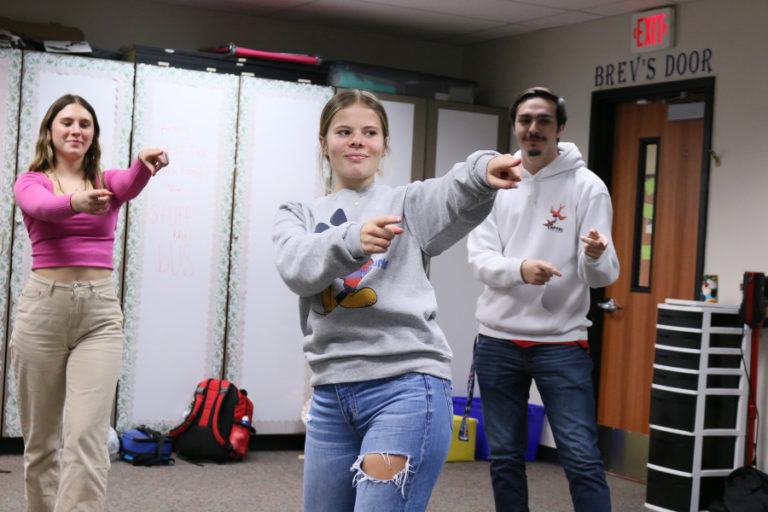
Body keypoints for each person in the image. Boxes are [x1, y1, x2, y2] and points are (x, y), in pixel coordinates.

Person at [273, 89, 522, 512]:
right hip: (332, 397)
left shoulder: (408, 204)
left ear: (384, 145)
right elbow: (297, 268)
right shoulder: (297, 213)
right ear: (323, 143)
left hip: (406, 388)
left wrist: (483, 169)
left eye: (370, 132)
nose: (357, 140)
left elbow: (454, 190)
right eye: (344, 131)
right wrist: (353, 238)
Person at [11, 94, 168, 512]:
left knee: (87, 437)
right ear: (50, 130)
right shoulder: (32, 181)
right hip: (43, 310)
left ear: (93, 134)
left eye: (85, 123)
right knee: (41, 442)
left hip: (99, 315)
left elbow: (130, 184)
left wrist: (143, 163)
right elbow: (40, 207)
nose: (76, 129)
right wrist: (74, 203)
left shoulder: (106, 180)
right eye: (67, 122)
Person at [467, 86, 619, 512]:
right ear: (515, 127)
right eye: (525, 121)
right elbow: (479, 259)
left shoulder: (587, 187)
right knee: (504, 458)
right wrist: (520, 270)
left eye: (544, 121)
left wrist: (595, 255)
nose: (533, 129)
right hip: (497, 341)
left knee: (582, 458)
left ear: (560, 128)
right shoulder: (497, 181)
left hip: (561, 344)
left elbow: (603, 274)